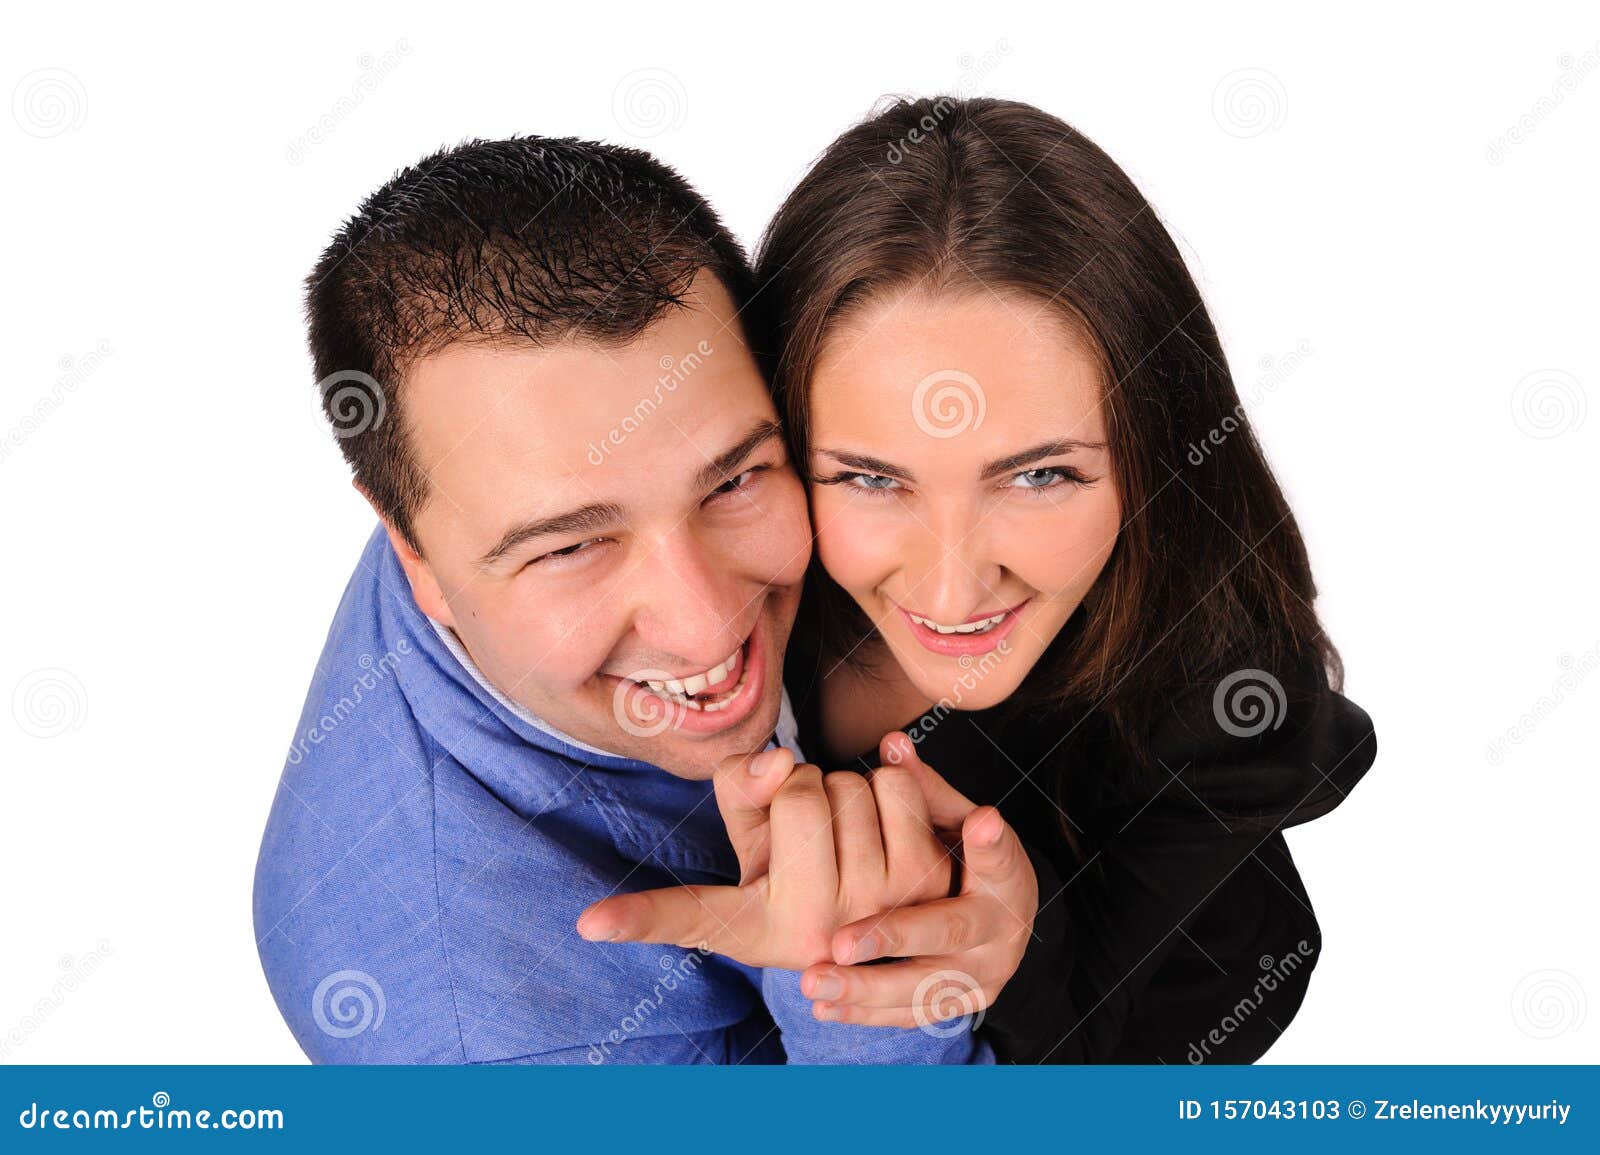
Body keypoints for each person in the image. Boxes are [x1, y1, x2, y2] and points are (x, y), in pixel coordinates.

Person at [588, 97, 1379, 1063]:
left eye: (1041, 475)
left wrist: (1009, 949)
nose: (955, 591)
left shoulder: (1224, 716)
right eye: (871, 479)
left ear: (1153, 455)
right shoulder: (715, 570)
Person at [252, 135, 997, 1064]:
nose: (704, 623)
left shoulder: (496, 478)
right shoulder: (494, 1046)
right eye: (571, 545)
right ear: (414, 550)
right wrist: (872, 1015)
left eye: (733, 481)